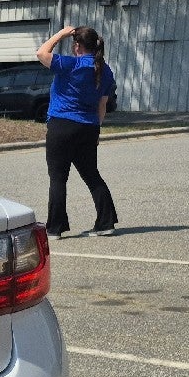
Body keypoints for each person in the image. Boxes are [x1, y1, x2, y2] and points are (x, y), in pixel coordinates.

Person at [36, 25, 117, 237]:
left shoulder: (70, 64)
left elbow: (41, 53)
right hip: (89, 126)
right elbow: (103, 105)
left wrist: (61, 34)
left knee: (58, 177)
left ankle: (55, 228)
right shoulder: (104, 70)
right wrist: (96, 130)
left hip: (62, 124)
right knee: (92, 175)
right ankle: (106, 222)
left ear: (77, 45)